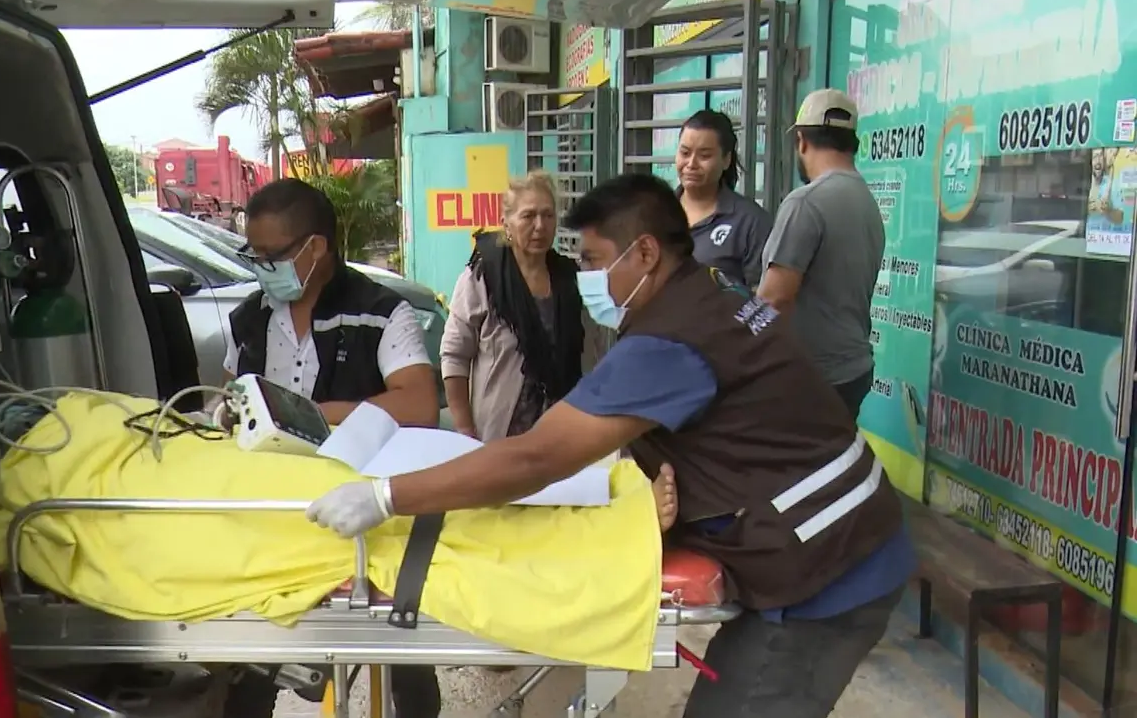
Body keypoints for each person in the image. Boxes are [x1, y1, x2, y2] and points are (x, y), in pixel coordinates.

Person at [304, 173, 916, 718]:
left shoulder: (670, 341)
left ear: (645, 253)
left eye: (595, 260)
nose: (587, 277)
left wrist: (387, 497)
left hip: (825, 570)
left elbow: (536, 457)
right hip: (842, 533)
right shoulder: (714, 292)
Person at [220, 178, 443, 718]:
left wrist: (309, 415)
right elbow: (229, 395)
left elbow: (418, 404)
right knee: (250, 663)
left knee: (406, 653)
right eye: (253, 255)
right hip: (275, 515)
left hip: (364, 509)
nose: (261, 267)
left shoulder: (380, 312)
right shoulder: (249, 319)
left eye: (271, 256)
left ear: (315, 248)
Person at [441, 171, 599, 442]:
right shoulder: (484, 276)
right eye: (528, 216)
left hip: (561, 435)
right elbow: (454, 355)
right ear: (507, 224)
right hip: (498, 439)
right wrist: (465, 430)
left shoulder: (569, 279)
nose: (540, 226)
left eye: (548, 215)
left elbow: (589, 358)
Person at [757, 89, 885, 419]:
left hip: (811, 379)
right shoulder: (866, 200)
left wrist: (738, 348)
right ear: (852, 143)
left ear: (801, 141)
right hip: (853, 371)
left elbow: (773, 299)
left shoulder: (806, 202)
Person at [676, 109, 775, 288]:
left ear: (726, 160)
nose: (691, 164)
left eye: (704, 156)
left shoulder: (751, 222)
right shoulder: (656, 211)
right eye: (685, 153)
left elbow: (763, 297)